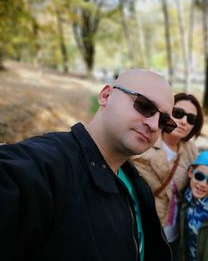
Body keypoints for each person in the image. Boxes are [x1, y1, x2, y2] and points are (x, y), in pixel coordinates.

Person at [0, 69, 176, 261]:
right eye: (144, 105)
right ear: (105, 96)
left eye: (164, 121)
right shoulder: (46, 166)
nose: (153, 124)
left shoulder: (134, 182)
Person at [132, 93, 204, 259]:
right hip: (141, 231)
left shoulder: (191, 151)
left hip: (174, 234)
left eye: (191, 119)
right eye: (178, 113)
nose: (184, 121)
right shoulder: (145, 140)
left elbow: (205, 185)